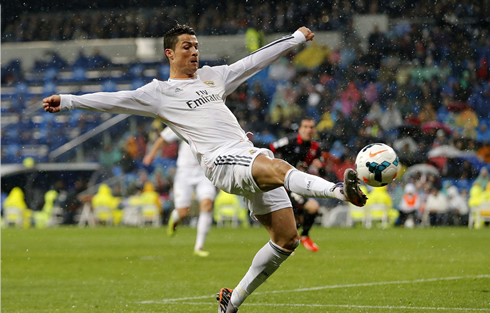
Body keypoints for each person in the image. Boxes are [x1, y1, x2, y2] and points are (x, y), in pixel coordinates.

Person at [43, 24, 367, 312]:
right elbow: (115, 98)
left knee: (286, 239)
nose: (194, 51)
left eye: (196, 46)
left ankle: (232, 302)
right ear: (170, 53)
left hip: (245, 154)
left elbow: (253, 61)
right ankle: (339, 191)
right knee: (277, 165)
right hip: (220, 162)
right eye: (187, 46)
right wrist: (69, 100)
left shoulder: (214, 76)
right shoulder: (159, 93)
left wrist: (294, 39)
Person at [143, 126, 217, 257]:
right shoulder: (183, 123)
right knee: (183, 212)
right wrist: (151, 155)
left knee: (207, 204)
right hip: (184, 172)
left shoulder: (212, 124)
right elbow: (162, 138)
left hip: (204, 172)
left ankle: (199, 246)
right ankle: (176, 216)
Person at [268, 117, 323, 252]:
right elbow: (270, 148)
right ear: (300, 129)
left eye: (311, 127)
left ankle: (287, 242)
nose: (308, 130)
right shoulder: (289, 141)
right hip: (285, 184)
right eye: (305, 127)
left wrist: (320, 166)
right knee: (312, 208)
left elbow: (321, 166)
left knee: (297, 217)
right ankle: (302, 237)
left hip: (300, 185)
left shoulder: (315, 148)